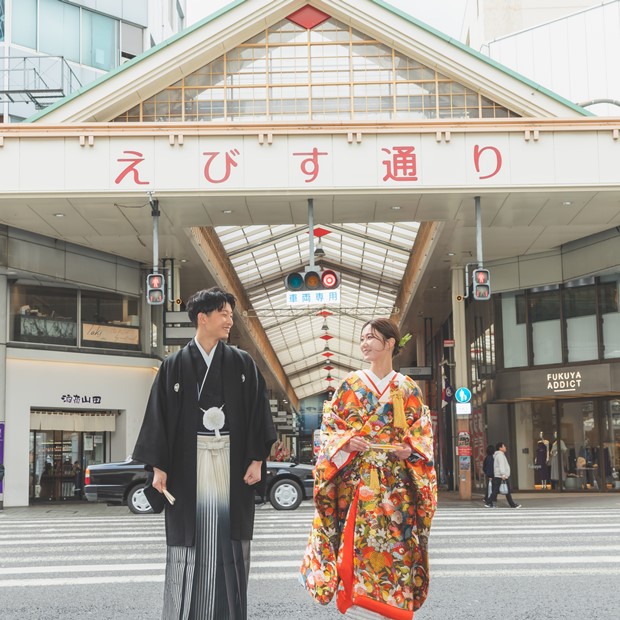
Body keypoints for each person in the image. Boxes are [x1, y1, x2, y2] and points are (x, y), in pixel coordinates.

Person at [132, 287, 276, 620]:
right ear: (203, 317)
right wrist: (158, 467)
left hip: (232, 465)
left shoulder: (242, 363)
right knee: (188, 543)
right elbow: (159, 417)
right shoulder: (174, 365)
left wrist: (257, 459)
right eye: (224, 313)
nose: (229, 320)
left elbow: (258, 412)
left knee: (231, 542)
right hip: (187, 468)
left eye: (230, 314)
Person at [300, 318, 437, 619]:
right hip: (357, 482)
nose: (364, 343)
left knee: (398, 543)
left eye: (372, 338)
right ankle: (355, 602)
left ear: (390, 344)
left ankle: (394, 604)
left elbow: (422, 432)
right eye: (362, 338)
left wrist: (409, 449)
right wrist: (346, 442)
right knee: (356, 544)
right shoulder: (350, 384)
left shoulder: (408, 387)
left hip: (396, 484)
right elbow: (329, 429)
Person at [485, 442, 521, 509]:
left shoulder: (498, 455)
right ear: (500, 448)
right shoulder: (500, 455)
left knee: (500, 491)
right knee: (503, 491)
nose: (505, 447)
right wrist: (503, 474)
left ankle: (489, 502)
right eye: (504, 446)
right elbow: (501, 466)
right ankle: (512, 504)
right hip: (501, 476)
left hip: (499, 475)